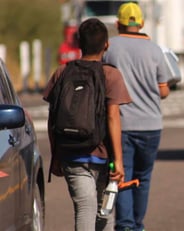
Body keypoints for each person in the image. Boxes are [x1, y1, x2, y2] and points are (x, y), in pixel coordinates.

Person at [43, 18, 131, 231]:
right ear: (106, 45)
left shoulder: (61, 73)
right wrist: (119, 160)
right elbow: (113, 117)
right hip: (102, 156)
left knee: (86, 207)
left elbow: (52, 118)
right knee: (104, 211)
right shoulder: (110, 74)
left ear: (79, 43)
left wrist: (55, 156)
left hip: (71, 155)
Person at [103, 2, 171, 231]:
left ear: (117, 23)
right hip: (152, 125)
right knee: (144, 178)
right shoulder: (155, 50)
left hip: (121, 125)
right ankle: (138, 225)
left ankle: (125, 226)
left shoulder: (110, 47)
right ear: (141, 23)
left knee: (122, 177)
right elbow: (163, 90)